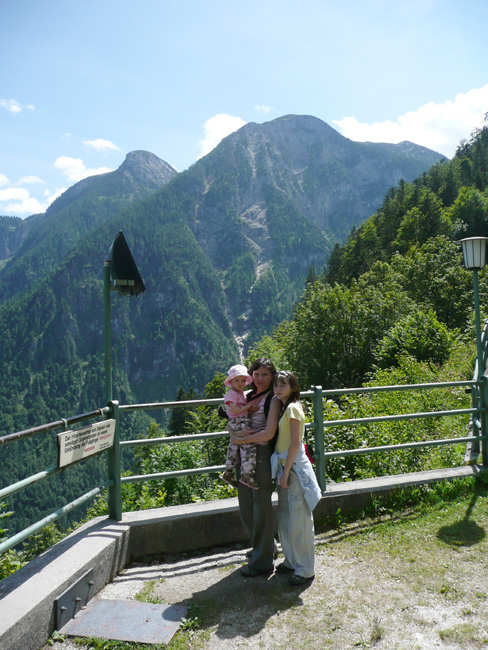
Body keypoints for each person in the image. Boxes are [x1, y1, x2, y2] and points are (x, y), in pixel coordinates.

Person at [230, 358, 280, 577]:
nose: (260, 379)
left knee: (261, 508)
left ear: (272, 377)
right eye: (257, 374)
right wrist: (236, 437)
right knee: (246, 506)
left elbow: (269, 433)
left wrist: (240, 440)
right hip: (244, 455)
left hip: (260, 455)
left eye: (265, 375)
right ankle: (265, 548)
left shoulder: (273, 400)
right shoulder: (247, 396)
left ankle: (262, 562)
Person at [271, 370, 322, 586]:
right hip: (285, 468)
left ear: (293, 387)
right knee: (285, 518)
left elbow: (294, 443)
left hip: (293, 470)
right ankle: (292, 561)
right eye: (276, 384)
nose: (278, 388)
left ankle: (305, 569)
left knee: (299, 520)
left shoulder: (293, 408)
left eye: (283, 384)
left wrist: (285, 471)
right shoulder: (285, 407)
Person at [221, 364, 258, 489]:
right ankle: (247, 474)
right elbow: (236, 410)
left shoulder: (240, 393)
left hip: (239, 421)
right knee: (248, 446)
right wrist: (248, 406)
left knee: (234, 446)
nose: (240, 383)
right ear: (231, 381)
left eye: (243, 380)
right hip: (238, 421)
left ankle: (229, 471)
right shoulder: (231, 394)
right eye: (237, 380)